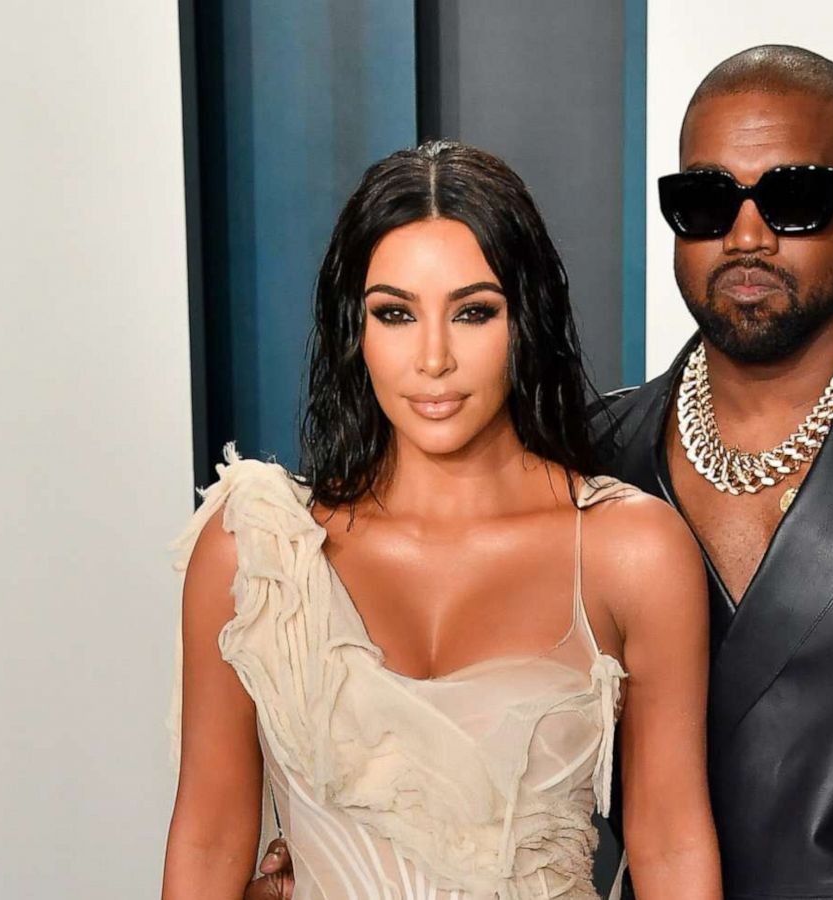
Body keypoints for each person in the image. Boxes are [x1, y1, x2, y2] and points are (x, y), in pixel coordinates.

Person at [254, 44, 833, 900]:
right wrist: (339, 849)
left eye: (794, 198)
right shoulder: (591, 458)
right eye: (706, 201)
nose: (746, 235)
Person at [161, 140, 723, 900]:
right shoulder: (257, 551)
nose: (432, 358)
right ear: (353, 331)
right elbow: (207, 841)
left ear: (526, 320)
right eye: (395, 313)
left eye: (473, 312)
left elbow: (670, 844)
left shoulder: (633, 552)